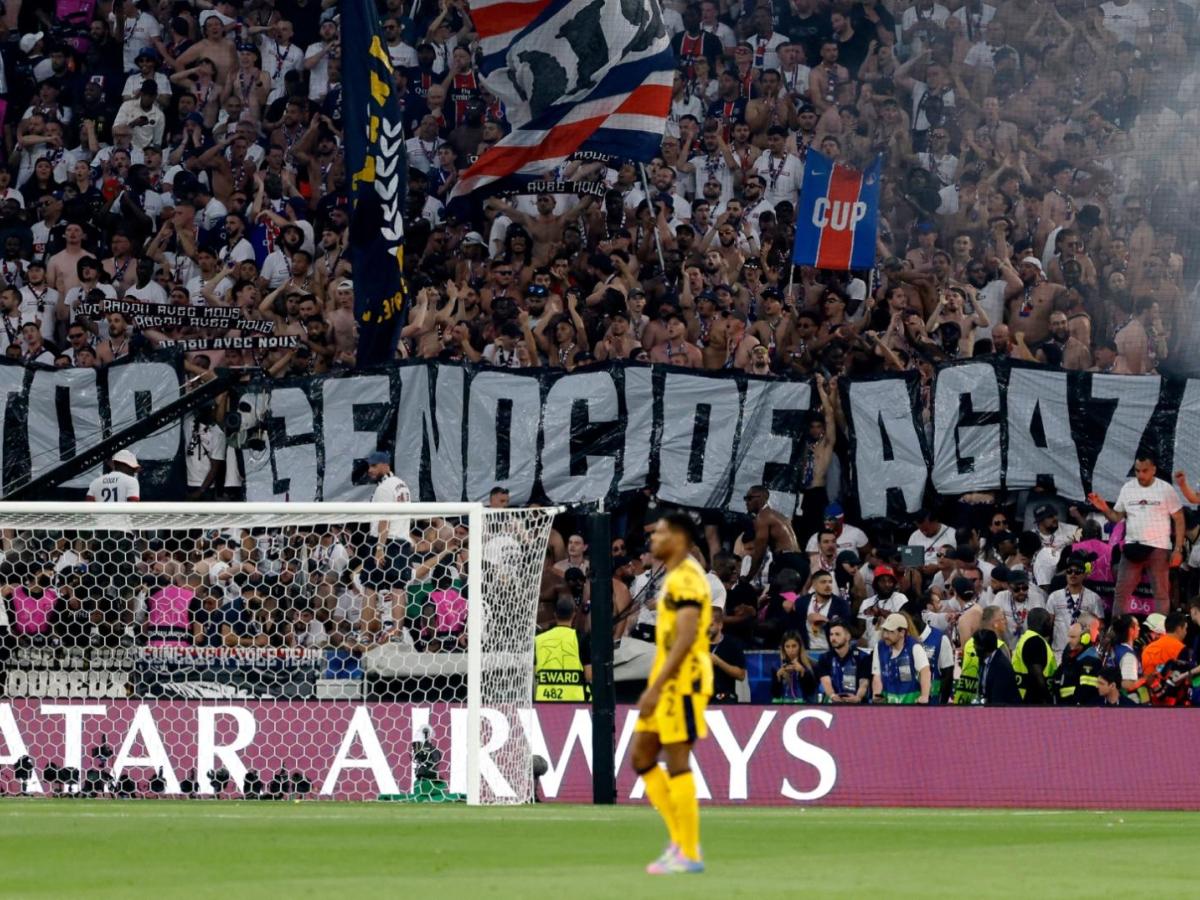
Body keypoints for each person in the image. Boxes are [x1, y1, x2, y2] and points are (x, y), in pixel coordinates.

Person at [631, 513, 712, 876]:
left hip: (684, 682)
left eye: (660, 533)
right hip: (668, 682)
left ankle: (688, 851)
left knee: (677, 760)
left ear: (679, 538)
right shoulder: (673, 576)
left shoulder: (687, 578)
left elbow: (686, 638)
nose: (653, 538)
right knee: (642, 757)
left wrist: (658, 685)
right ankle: (679, 842)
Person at [1088, 455, 1184, 616]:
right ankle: (1118, 631)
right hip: (1132, 547)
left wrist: (1178, 548)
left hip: (1158, 547)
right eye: (1137, 471)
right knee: (1121, 593)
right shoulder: (1128, 488)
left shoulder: (1165, 489)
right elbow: (1116, 517)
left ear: (1153, 470)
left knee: (1161, 594)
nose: (1140, 475)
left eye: (1145, 471)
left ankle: (1159, 633)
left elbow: (1179, 518)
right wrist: (1103, 508)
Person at [533, 595, 591, 702]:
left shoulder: (538, 639)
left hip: (544, 701)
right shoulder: (581, 639)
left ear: (555, 615)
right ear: (574, 614)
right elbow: (589, 675)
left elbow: (533, 673)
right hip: (574, 701)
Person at [744, 485, 804, 581]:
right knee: (791, 595)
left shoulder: (763, 517)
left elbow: (759, 552)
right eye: (745, 499)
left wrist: (749, 577)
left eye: (749, 498)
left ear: (761, 498)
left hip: (787, 561)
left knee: (777, 595)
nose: (746, 502)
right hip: (799, 560)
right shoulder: (777, 515)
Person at [872, 613, 931, 704]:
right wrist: (877, 694)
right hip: (887, 705)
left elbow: (925, 671)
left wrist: (924, 696)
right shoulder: (879, 647)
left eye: (890, 632)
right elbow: (877, 675)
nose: (885, 635)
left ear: (902, 632)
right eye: (885, 631)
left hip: (910, 704)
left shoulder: (915, 647)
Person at [815, 618, 871, 703]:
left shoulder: (862, 657)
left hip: (857, 703)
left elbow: (864, 682)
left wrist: (858, 697)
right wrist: (833, 695)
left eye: (837, 634)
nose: (833, 638)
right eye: (831, 634)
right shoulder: (824, 658)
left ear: (848, 637)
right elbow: (825, 681)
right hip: (833, 702)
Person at [1013, 607, 1057, 705]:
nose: (1051, 624)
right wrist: (1046, 700)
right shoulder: (1034, 642)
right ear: (1043, 622)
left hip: (1024, 696)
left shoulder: (1026, 638)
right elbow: (1037, 674)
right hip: (1034, 700)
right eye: (1049, 621)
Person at [1055, 618, 1102, 706]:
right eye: (1069, 636)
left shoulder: (1090, 660)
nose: (1069, 640)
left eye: (1073, 637)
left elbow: (1086, 692)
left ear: (1085, 638)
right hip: (1064, 706)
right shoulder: (1071, 657)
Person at [708, 606, 746, 703]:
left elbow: (741, 675)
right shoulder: (697, 644)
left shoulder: (732, 644)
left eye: (710, 625)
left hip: (724, 696)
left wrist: (718, 661)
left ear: (720, 625)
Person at [975, 626, 1021, 705]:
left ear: (984, 647)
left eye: (976, 644)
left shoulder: (1001, 667)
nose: (974, 647)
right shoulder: (984, 660)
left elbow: (998, 701)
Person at [771, 630, 818, 703]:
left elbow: (811, 692)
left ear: (800, 646)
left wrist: (803, 672)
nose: (791, 650)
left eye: (794, 646)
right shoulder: (776, 666)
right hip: (784, 706)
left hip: (806, 706)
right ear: (783, 648)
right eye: (787, 646)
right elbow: (775, 695)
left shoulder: (812, 665)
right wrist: (778, 679)